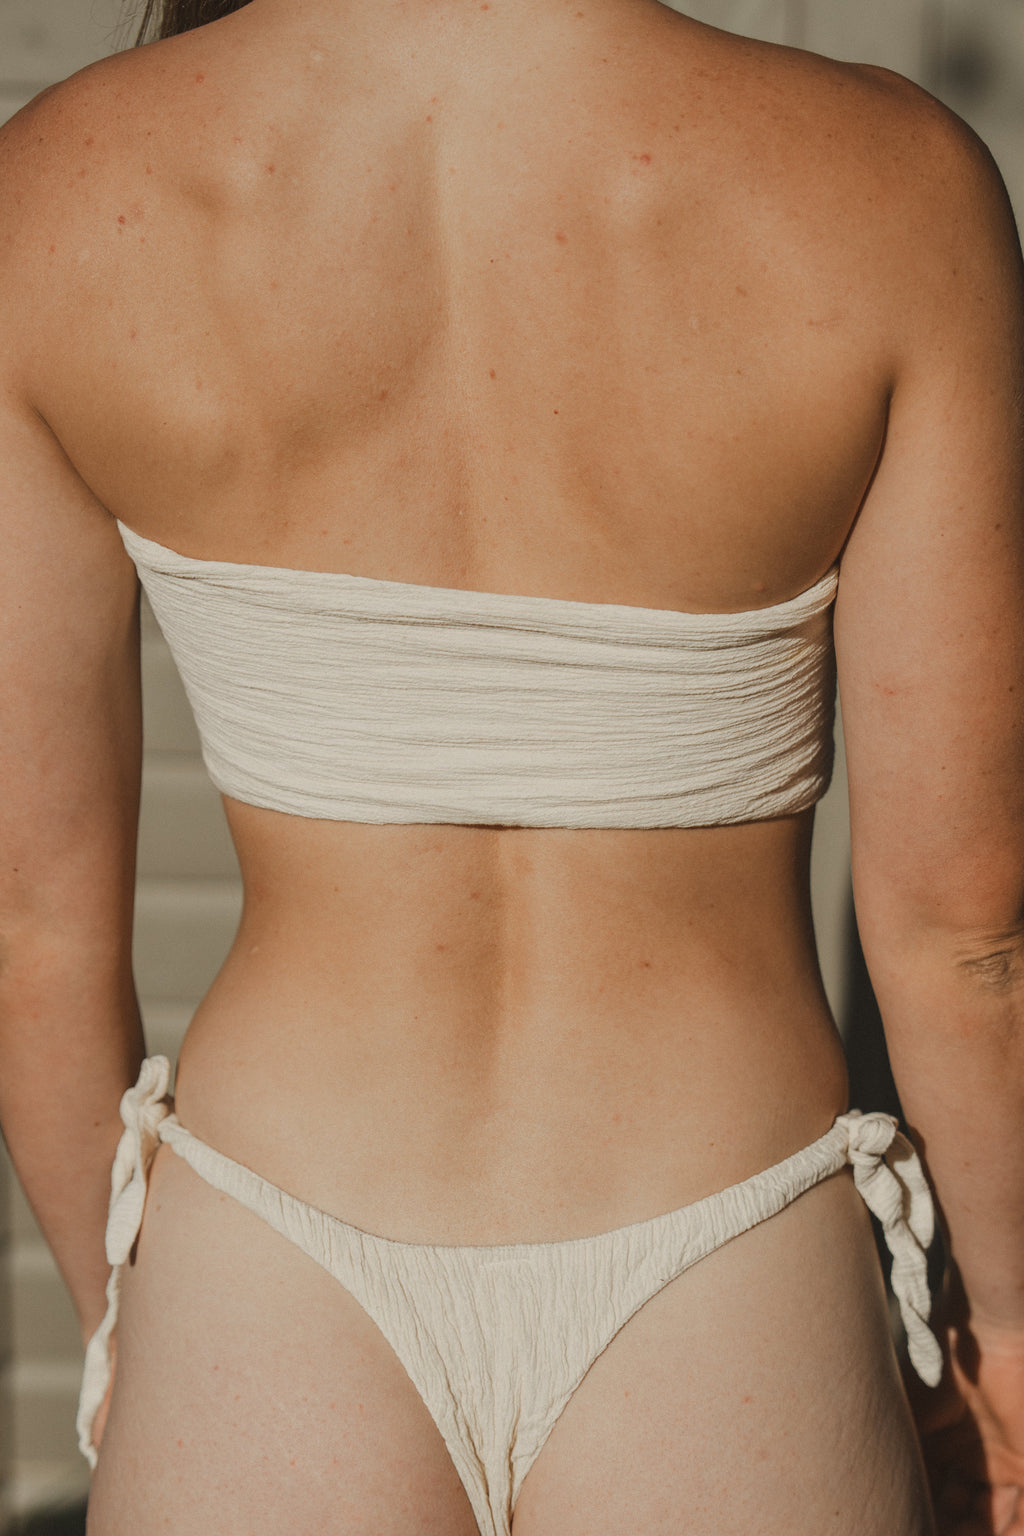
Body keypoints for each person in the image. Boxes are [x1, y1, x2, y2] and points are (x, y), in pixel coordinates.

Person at [0, 0, 1022, 1529]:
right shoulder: (894, 188)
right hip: (724, 1244)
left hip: (272, 1255)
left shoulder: (64, 189)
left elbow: (30, 921)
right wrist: (999, 1344)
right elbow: (967, 933)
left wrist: (127, 1324)